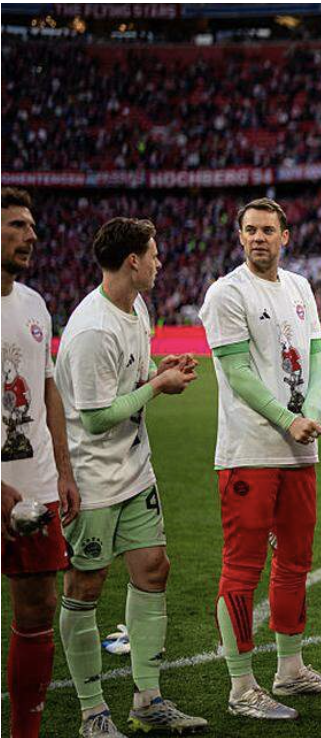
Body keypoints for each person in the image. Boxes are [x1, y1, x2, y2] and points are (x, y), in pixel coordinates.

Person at [55, 217, 208, 736]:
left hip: (135, 470)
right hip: (93, 478)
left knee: (153, 569)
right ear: (132, 261)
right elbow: (97, 418)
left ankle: (147, 699)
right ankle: (92, 712)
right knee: (86, 584)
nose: (160, 262)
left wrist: (155, 373)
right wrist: (158, 387)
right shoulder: (92, 329)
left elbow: (128, 382)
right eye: (154, 253)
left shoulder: (137, 307)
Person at [197, 198, 321, 721]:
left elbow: (320, 357)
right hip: (250, 450)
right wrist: (288, 419)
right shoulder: (227, 292)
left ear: (285, 236)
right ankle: (241, 687)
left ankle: (290, 669)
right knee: (242, 566)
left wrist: (311, 413)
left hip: (298, 450)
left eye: (267, 230)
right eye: (250, 230)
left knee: (295, 561)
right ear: (240, 237)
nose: (258, 238)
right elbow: (237, 372)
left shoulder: (300, 286)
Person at [2, 187, 81, 738]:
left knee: (37, 611)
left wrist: (64, 471)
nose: (31, 235)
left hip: (34, 486)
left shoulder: (34, 304)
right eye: (16, 226)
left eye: (31, 226)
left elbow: (48, 390)